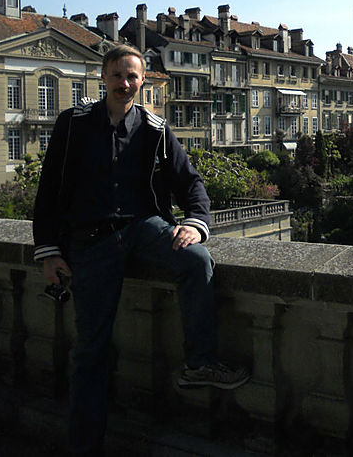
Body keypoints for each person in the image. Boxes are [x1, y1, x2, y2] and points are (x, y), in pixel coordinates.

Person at [33, 44, 249, 455]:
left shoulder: (155, 129)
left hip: (142, 228)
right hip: (91, 239)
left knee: (196, 260)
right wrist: (49, 250)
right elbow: (49, 191)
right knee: (90, 351)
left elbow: (191, 183)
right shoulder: (73, 124)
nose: (124, 83)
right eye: (117, 75)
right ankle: (84, 447)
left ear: (143, 80)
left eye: (132, 76)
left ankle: (199, 362)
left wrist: (195, 223)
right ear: (103, 77)